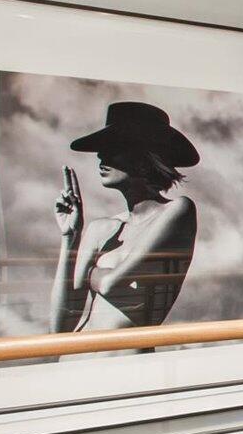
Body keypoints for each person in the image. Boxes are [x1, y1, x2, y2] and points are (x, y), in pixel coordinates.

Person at [49, 100, 200, 334]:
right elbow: (59, 329)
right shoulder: (101, 229)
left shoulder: (178, 211)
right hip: (75, 361)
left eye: (113, 147)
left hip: (128, 365)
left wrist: (89, 272)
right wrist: (70, 237)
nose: (100, 156)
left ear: (143, 158)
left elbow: (110, 285)